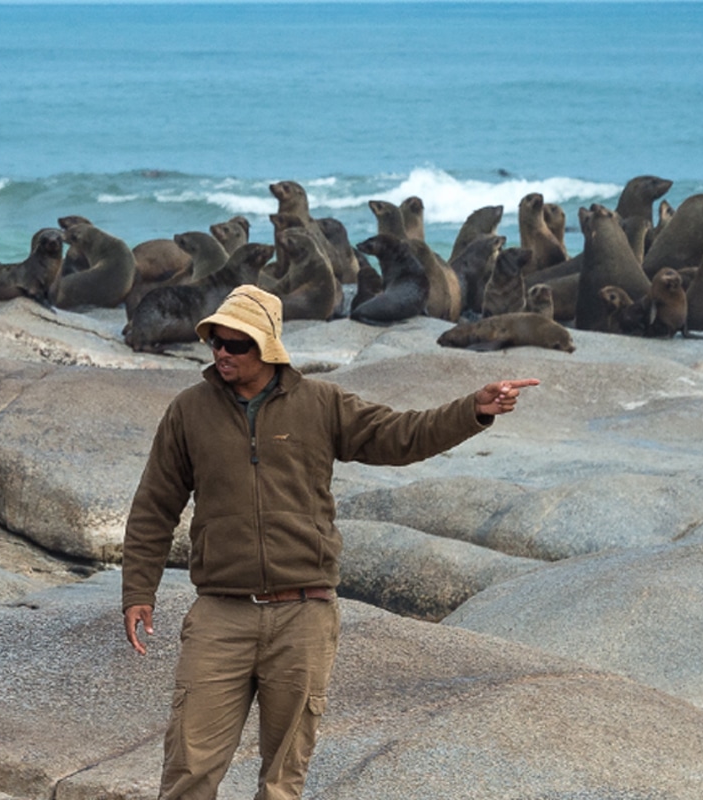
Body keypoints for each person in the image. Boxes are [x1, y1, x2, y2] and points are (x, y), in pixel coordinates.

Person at [120, 286, 539, 799]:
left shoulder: (321, 403)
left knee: (283, 780)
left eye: (237, 344)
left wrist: (472, 410)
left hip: (305, 614)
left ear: (268, 346)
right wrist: (139, 590)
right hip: (220, 615)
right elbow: (153, 507)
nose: (223, 353)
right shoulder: (189, 412)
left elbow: (401, 435)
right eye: (216, 343)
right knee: (188, 770)